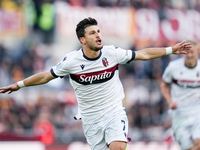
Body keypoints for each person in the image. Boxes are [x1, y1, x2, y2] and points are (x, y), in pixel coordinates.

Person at [0, 17, 191, 150]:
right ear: (82, 40)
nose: (98, 35)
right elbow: (46, 76)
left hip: (113, 112)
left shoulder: (112, 53)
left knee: (117, 146)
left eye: (98, 31)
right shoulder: (71, 62)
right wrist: (19, 85)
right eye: (92, 33)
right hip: (91, 120)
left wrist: (169, 50)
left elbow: (143, 54)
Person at [160, 40, 200, 150]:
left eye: (192, 52)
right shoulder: (173, 67)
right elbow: (163, 85)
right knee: (187, 147)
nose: (190, 55)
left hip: (197, 113)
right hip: (179, 114)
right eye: (188, 52)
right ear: (183, 53)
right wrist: (170, 102)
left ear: (197, 51)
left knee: (199, 144)